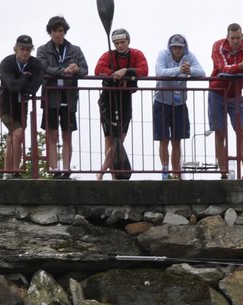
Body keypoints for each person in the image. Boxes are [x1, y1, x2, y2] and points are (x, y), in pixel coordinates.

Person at [35, 14, 85, 178]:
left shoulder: (75, 50)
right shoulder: (43, 49)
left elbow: (85, 70)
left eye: (61, 31)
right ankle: (54, 169)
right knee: (52, 134)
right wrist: (64, 71)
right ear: (49, 32)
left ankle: (66, 169)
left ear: (65, 32)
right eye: (55, 31)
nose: (58, 34)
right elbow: (43, 67)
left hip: (69, 97)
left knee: (67, 134)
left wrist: (76, 70)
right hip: (51, 96)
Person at [95, 27, 146, 179]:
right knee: (110, 138)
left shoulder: (136, 54)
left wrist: (125, 71)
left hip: (125, 99)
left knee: (120, 138)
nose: (119, 46)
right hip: (108, 98)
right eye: (116, 43)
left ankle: (103, 171)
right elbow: (99, 70)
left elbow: (144, 70)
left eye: (122, 42)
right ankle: (109, 174)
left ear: (128, 42)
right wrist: (114, 74)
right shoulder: (108, 55)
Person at [209, 22, 243, 179]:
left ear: (242, 36)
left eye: (238, 38)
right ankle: (223, 173)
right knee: (220, 133)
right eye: (232, 38)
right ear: (227, 37)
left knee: (242, 132)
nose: (236, 41)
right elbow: (222, 68)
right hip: (217, 92)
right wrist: (242, 67)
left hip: (236, 94)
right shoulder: (218, 46)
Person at [152, 33, 202, 180]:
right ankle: (165, 171)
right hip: (161, 102)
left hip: (180, 103)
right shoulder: (162, 54)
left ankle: (176, 172)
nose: (177, 50)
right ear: (170, 47)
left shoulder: (189, 57)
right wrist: (179, 70)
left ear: (184, 47)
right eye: (174, 47)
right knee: (163, 139)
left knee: (177, 140)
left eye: (180, 47)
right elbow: (160, 72)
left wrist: (189, 71)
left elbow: (202, 72)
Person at [0, 34, 41, 176]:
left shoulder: (35, 64)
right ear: (16, 49)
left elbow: (33, 87)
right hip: (5, 105)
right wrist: (26, 77)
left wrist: (20, 83)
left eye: (28, 50)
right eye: (22, 49)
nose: (25, 53)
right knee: (17, 133)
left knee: (14, 137)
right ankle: (16, 171)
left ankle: (7, 172)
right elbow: (11, 86)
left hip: (22, 105)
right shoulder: (7, 63)